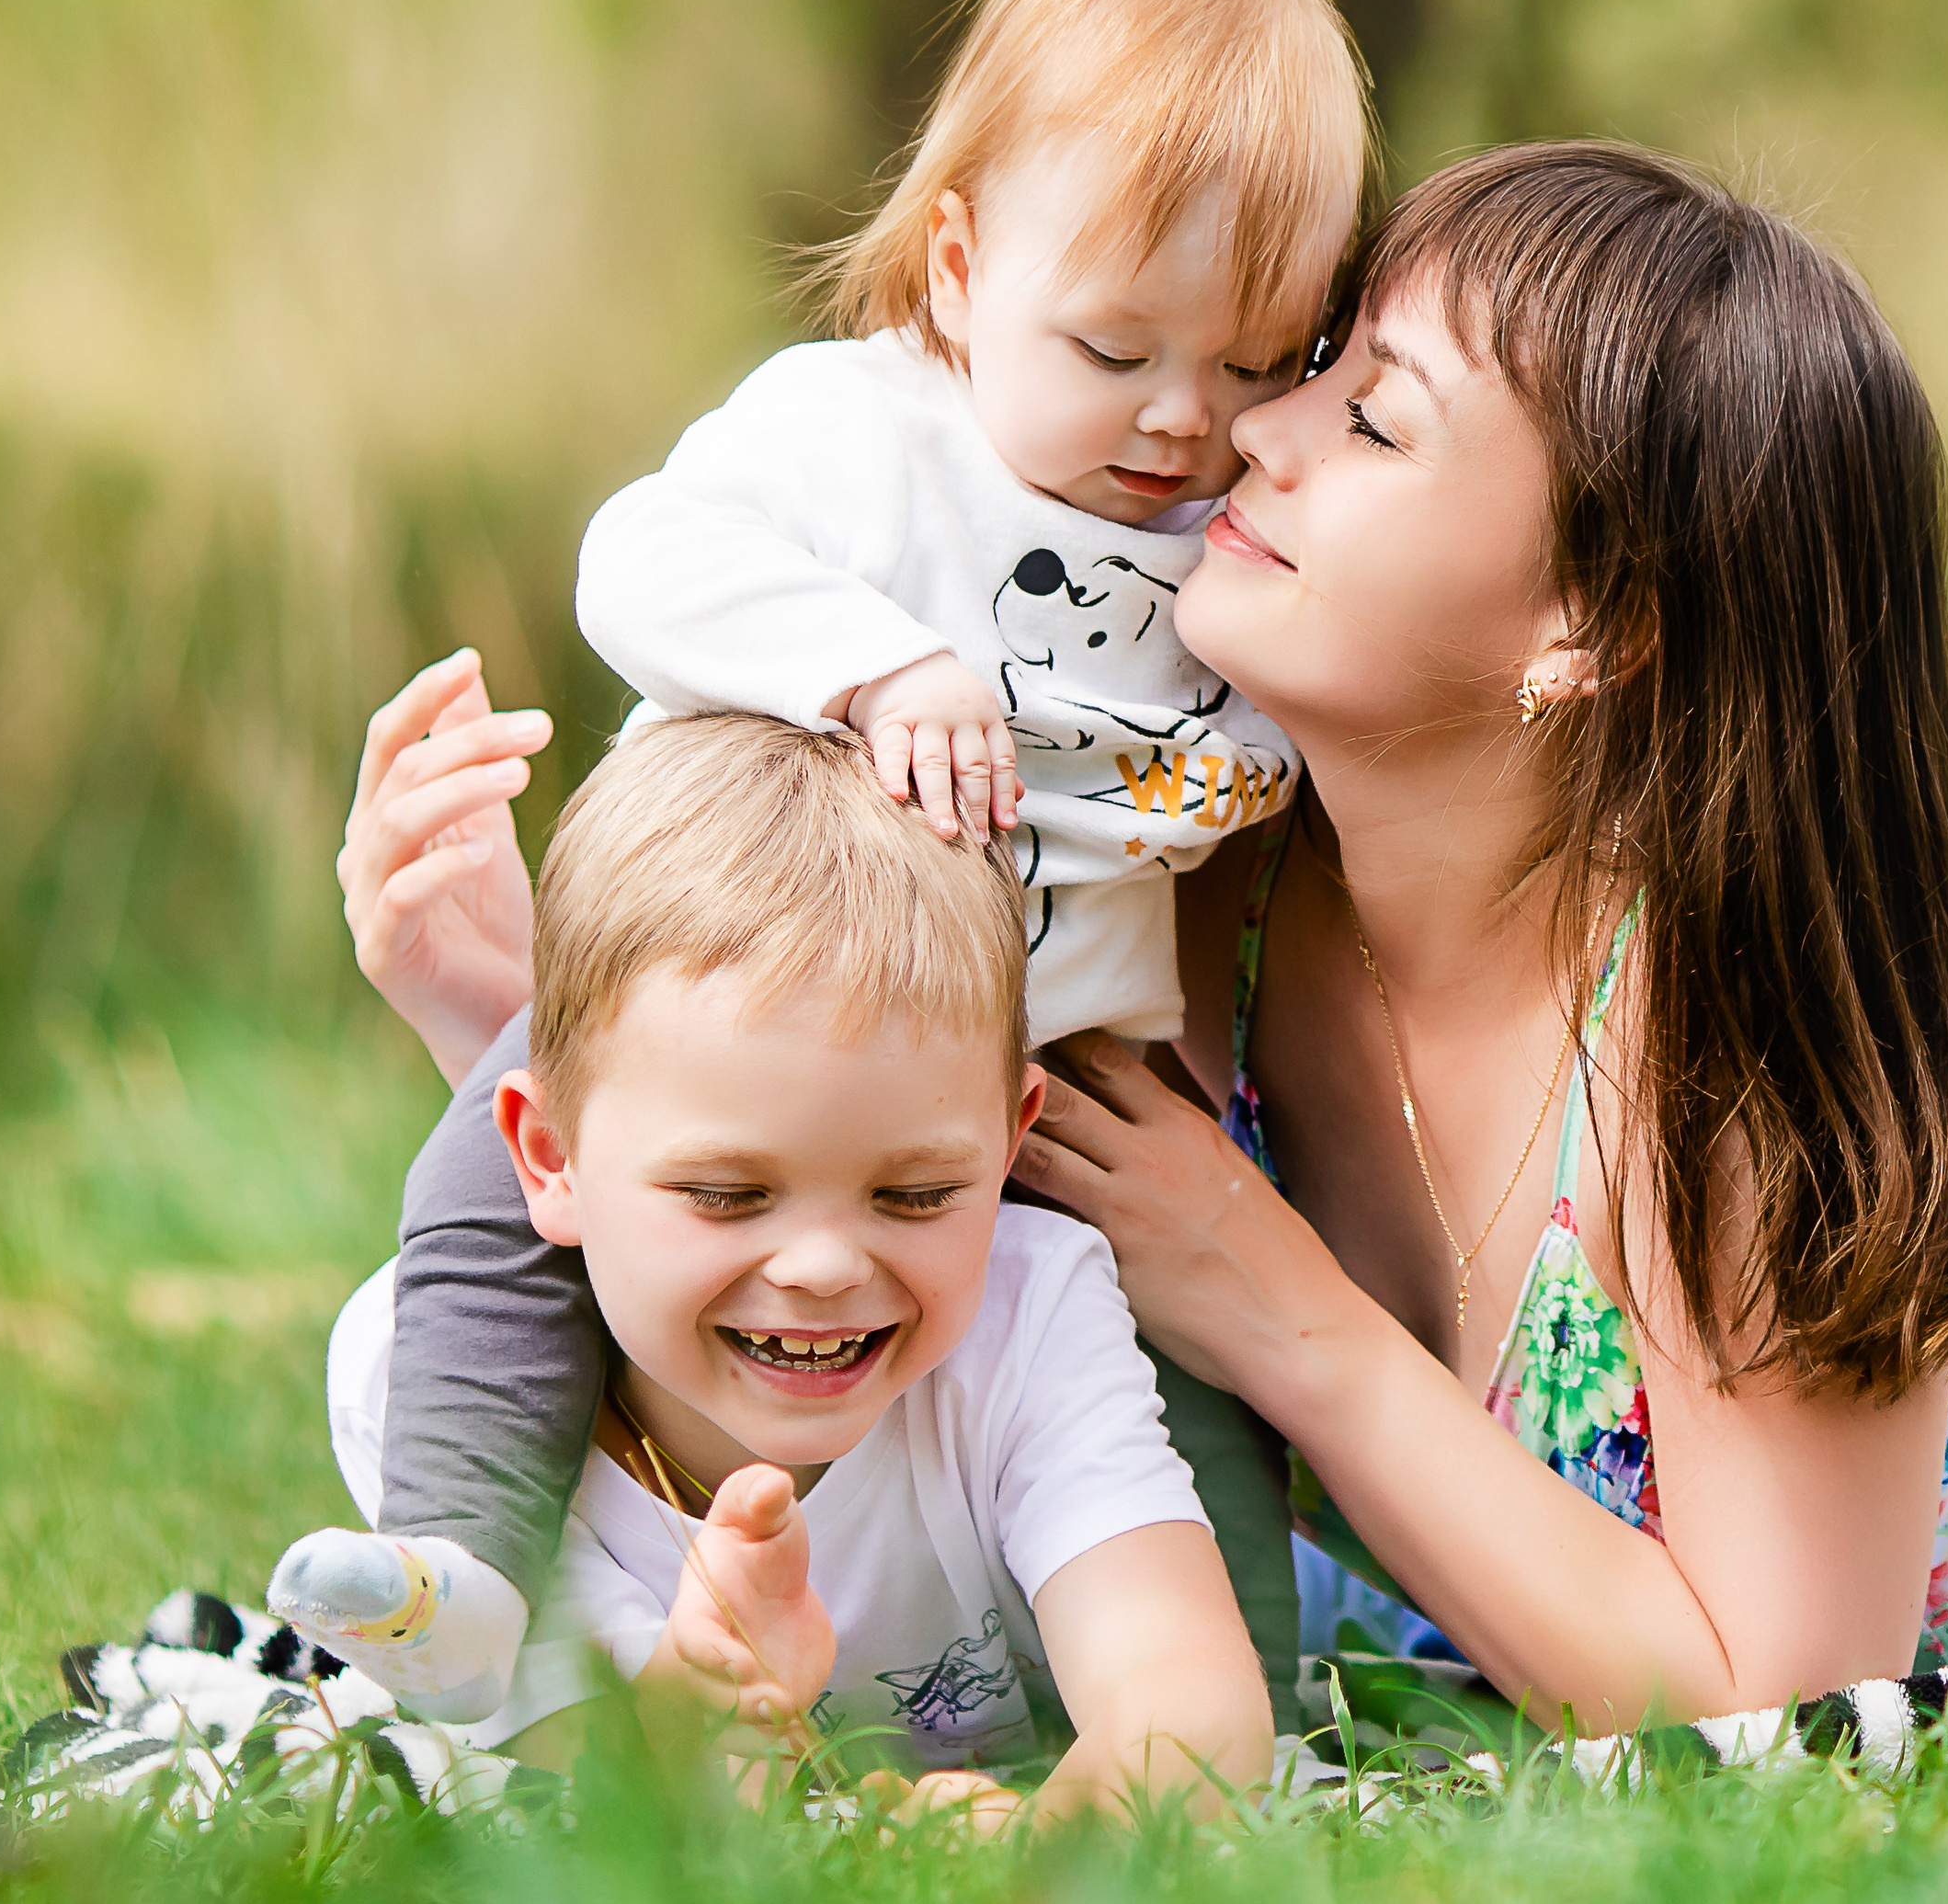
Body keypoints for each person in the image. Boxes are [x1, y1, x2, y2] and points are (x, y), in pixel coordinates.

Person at [275, 0, 1369, 1715]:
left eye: (1256, 358)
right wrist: (866, 663)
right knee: (484, 1191)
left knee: (1170, 1372)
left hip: (1041, 1084)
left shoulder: (1227, 533)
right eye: (1111, 348)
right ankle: (464, 1560)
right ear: (956, 268)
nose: (1179, 417)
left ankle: (1224, 1701)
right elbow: (634, 560)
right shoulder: (864, 435)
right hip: (738, 978)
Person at [1016, 146, 1948, 1720]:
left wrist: (1273, 1299)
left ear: (1589, 618)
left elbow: (1768, 1702)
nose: (1255, 427)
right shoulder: (1174, 870)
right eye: (1321, 364)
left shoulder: (1732, 1047)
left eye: (1371, 414)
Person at [317, 710, 1271, 1817]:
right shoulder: (426, 1382)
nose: (821, 1265)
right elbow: (579, 1808)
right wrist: (712, 1702)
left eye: (916, 1194)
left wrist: (1031, 1860)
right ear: (546, 1156)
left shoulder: (1032, 1311)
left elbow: (1194, 1713)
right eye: (725, 1194)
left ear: (1009, 1138)